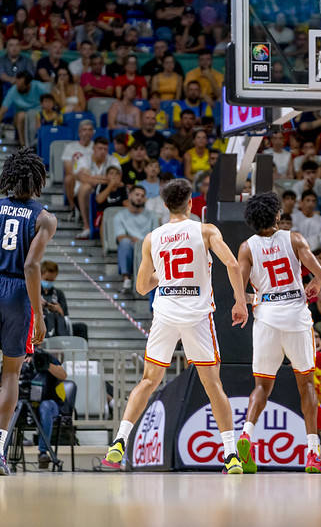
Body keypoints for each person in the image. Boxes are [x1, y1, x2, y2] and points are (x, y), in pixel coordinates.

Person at [102, 179, 248, 474]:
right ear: (191, 203)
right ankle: (231, 454)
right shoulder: (205, 230)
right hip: (196, 315)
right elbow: (232, 265)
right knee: (213, 385)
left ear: (165, 206)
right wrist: (240, 301)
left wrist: (164, 278)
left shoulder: (152, 238)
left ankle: (120, 439)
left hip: (166, 313)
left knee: (148, 380)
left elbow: (142, 286)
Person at [234, 192, 321, 474]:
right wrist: (315, 286)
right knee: (307, 385)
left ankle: (246, 434)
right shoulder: (295, 239)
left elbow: (240, 290)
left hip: (267, 320)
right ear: (277, 216)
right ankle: (312, 453)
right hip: (296, 318)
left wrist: (247, 302)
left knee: (261, 386)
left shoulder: (247, 248)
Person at [0, 148, 56, 475]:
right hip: (17, 294)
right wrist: (40, 314)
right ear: (38, 180)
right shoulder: (44, 217)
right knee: (10, 374)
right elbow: (32, 265)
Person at [113, 186, 160, 293]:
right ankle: (127, 280)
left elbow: (156, 236)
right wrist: (135, 241)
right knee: (124, 243)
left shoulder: (152, 215)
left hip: (148, 246)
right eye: (136, 195)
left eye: (142, 196)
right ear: (130, 196)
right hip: (131, 245)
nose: (139, 198)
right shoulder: (119, 216)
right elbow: (120, 237)